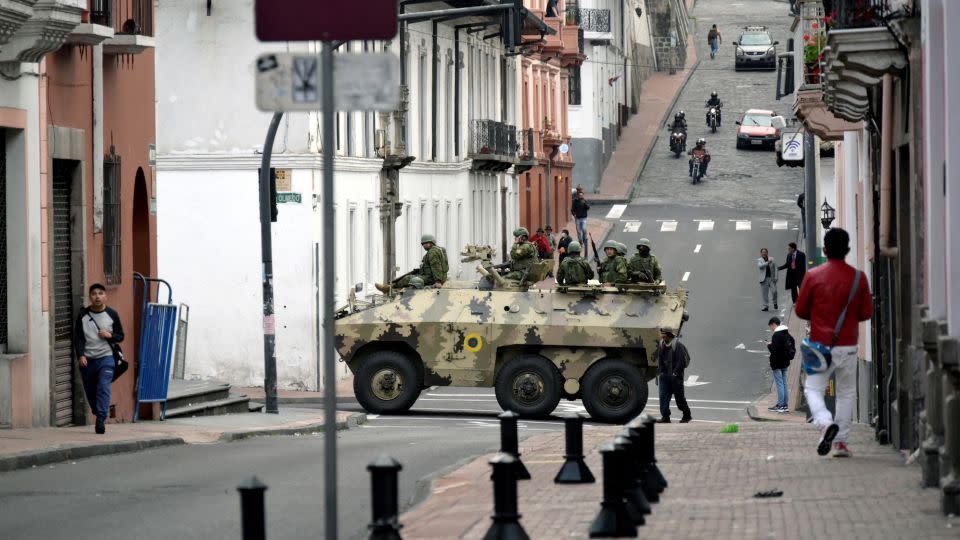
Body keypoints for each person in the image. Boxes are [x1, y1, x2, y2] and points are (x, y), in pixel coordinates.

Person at [795, 228, 873, 457]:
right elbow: (866, 313)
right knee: (847, 393)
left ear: (825, 249)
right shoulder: (859, 278)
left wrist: (820, 315)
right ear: (848, 249)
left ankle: (824, 422)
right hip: (848, 345)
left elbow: (800, 310)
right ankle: (840, 443)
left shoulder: (813, 276)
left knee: (813, 388)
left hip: (821, 346)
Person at [73, 283, 125, 434]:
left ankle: (101, 419)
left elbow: (121, 336)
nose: (97, 296)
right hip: (88, 360)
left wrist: (110, 335)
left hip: (106, 358)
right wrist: (81, 355)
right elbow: (79, 338)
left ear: (105, 296)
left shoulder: (112, 314)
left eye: (101, 293)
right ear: (90, 297)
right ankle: (98, 411)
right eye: (94, 293)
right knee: (90, 392)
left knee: (103, 387)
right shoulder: (83, 315)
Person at [376, 234, 448, 292]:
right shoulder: (437, 250)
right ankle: (390, 286)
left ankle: (389, 288)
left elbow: (436, 266)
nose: (423, 246)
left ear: (430, 243)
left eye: (424, 244)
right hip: (432, 276)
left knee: (408, 278)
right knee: (411, 275)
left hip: (431, 278)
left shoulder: (433, 252)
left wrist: (438, 281)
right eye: (422, 244)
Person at [655, 327, 692, 423]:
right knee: (663, 397)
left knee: (679, 398)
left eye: (664, 335)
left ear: (669, 335)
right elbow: (660, 359)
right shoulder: (661, 344)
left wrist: (675, 374)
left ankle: (687, 415)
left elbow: (681, 361)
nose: (662, 336)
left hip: (675, 377)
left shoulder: (677, 345)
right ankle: (665, 417)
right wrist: (662, 372)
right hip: (665, 376)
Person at [766, 316, 795, 413]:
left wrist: (769, 345)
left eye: (771, 326)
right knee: (785, 383)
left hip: (777, 363)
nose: (771, 329)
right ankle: (785, 405)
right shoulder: (786, 333)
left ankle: (780, 405)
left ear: (774, 324)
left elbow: (775, 351)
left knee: (779, 384)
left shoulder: (776, 335)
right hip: (785, 362)